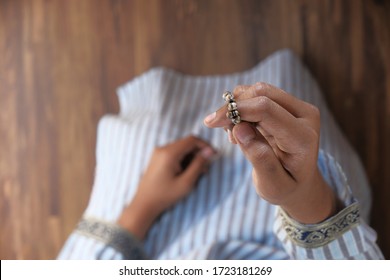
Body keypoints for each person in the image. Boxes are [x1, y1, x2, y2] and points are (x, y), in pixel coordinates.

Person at [57, 49, 383, 259]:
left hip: (143, 231)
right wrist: (302, 197)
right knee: (290, 112)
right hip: (300, 233)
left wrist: (142, 207)